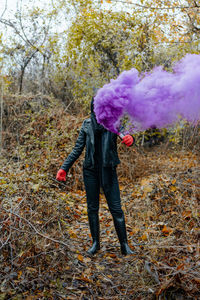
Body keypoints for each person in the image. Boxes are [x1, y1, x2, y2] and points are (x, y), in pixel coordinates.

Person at [56, 98, 134, 255]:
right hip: (90, 171)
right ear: (92, 108)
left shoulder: (114, 123)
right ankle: (95, 243)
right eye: (96, 107)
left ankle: (124, 245)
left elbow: (126, 135)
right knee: (92, 208)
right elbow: (77, 149)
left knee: (116, 209)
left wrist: (131, 139)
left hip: (108, 170)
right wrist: (64, 168)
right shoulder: (86, 125)